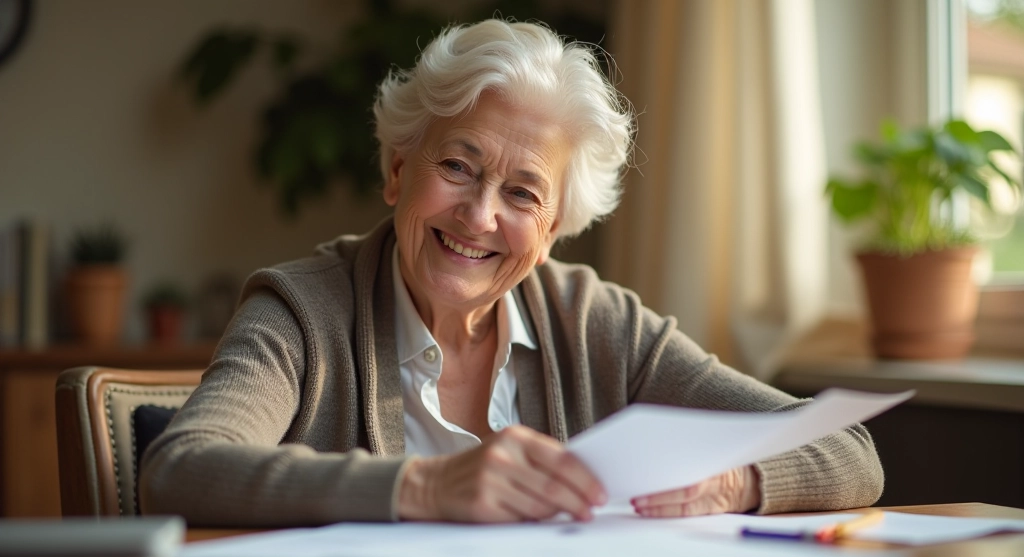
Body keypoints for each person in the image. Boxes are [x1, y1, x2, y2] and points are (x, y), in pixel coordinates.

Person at [140, 19, 882, 526]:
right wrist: (424, 487)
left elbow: (847, 451)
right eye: (458, 166)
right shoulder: (301, 311)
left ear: (554, 229)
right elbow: (179, 469)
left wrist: (731, 481)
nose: (479, 215)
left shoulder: (598, 324)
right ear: (399, 169)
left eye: (523, 192)